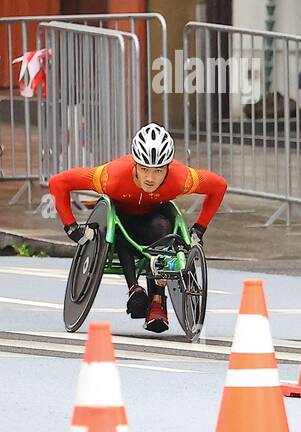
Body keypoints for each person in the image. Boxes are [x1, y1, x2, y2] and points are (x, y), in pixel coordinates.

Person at [50, 124, 228, 333]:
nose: (150, 178)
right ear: (135, 164)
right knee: (120, 226)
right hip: (121, 225)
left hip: (154, 224)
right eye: (144, 169)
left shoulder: (182, 178)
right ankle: (134, 288)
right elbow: (58, 183)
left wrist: (200, 228)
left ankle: (157, 302)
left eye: (158, 171)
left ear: (168, 168)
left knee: (162, 225)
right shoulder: (111, 177)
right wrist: (71, 227)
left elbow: (219, 186)